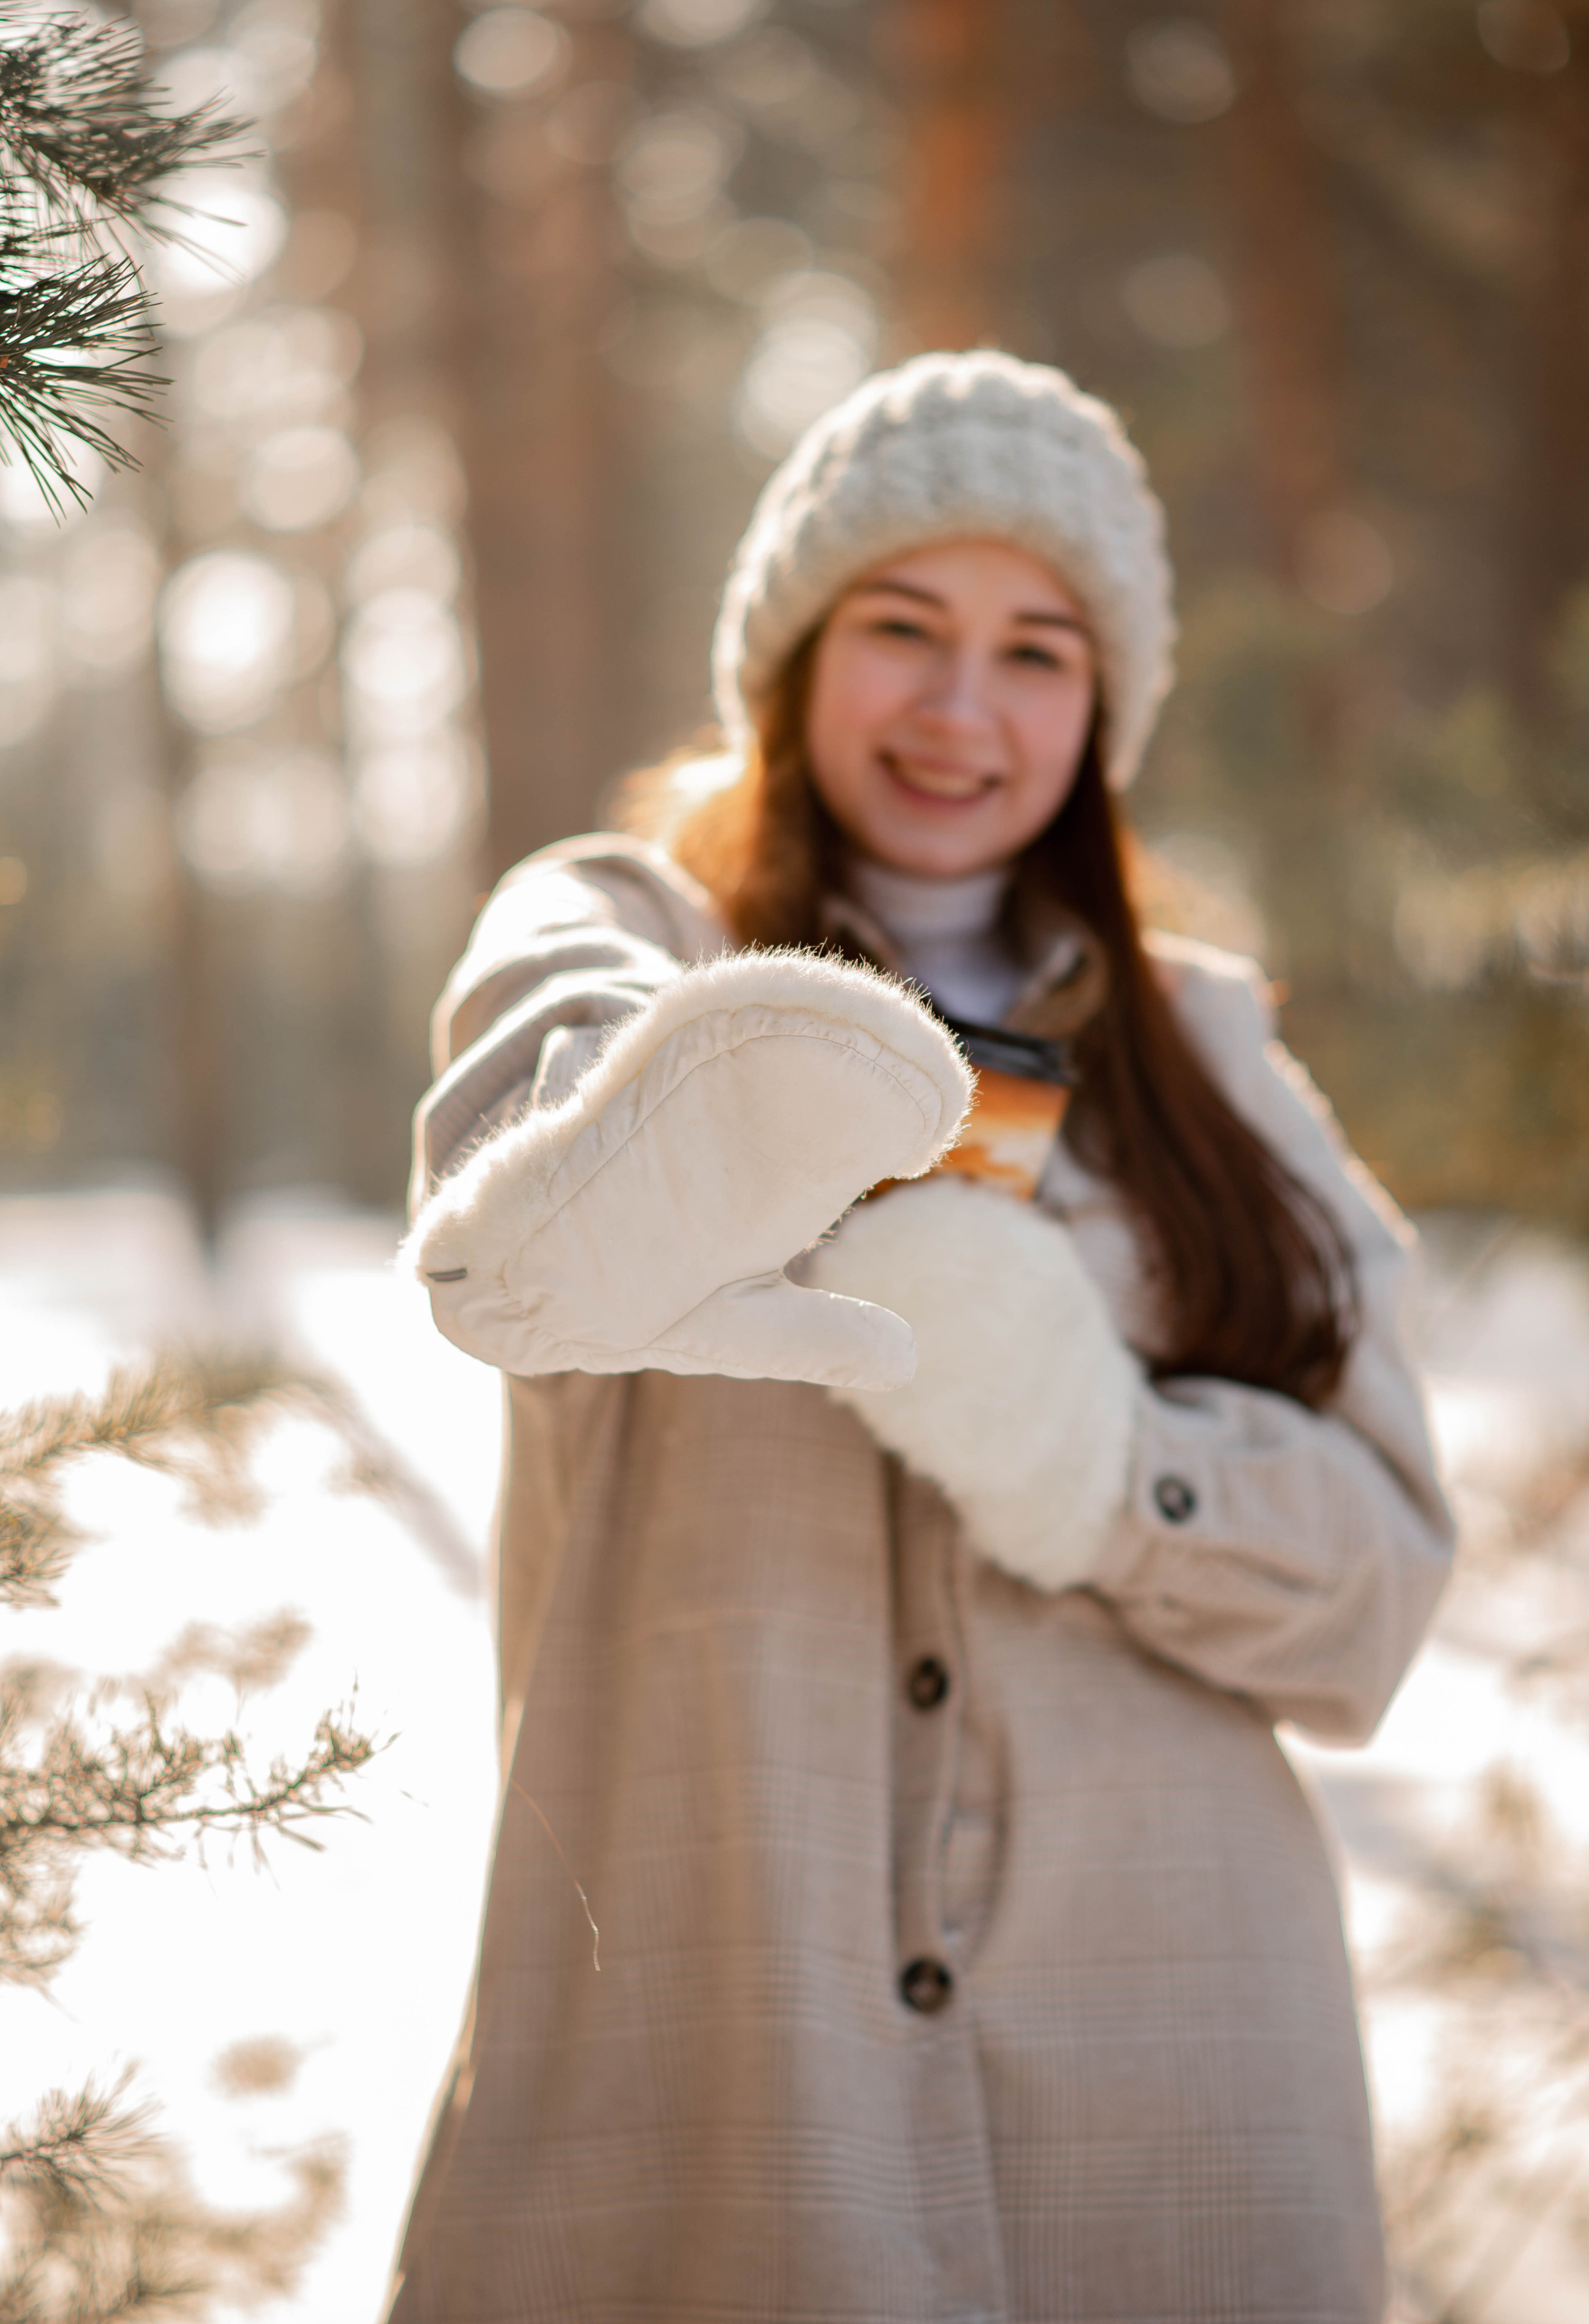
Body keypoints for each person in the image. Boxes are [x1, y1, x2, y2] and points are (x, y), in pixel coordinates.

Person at [385, 351, 1453, 2324]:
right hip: (721, 2097)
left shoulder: (1210, 1048)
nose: (966, 705)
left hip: (1177, 2088)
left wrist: (1098, 1459)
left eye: (1040, 649)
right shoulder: (619, 932)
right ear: (792, 656)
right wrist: (715, 1123)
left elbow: (1379, 1595)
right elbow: (513, 1212)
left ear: (1102, 705)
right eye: (903, 625)